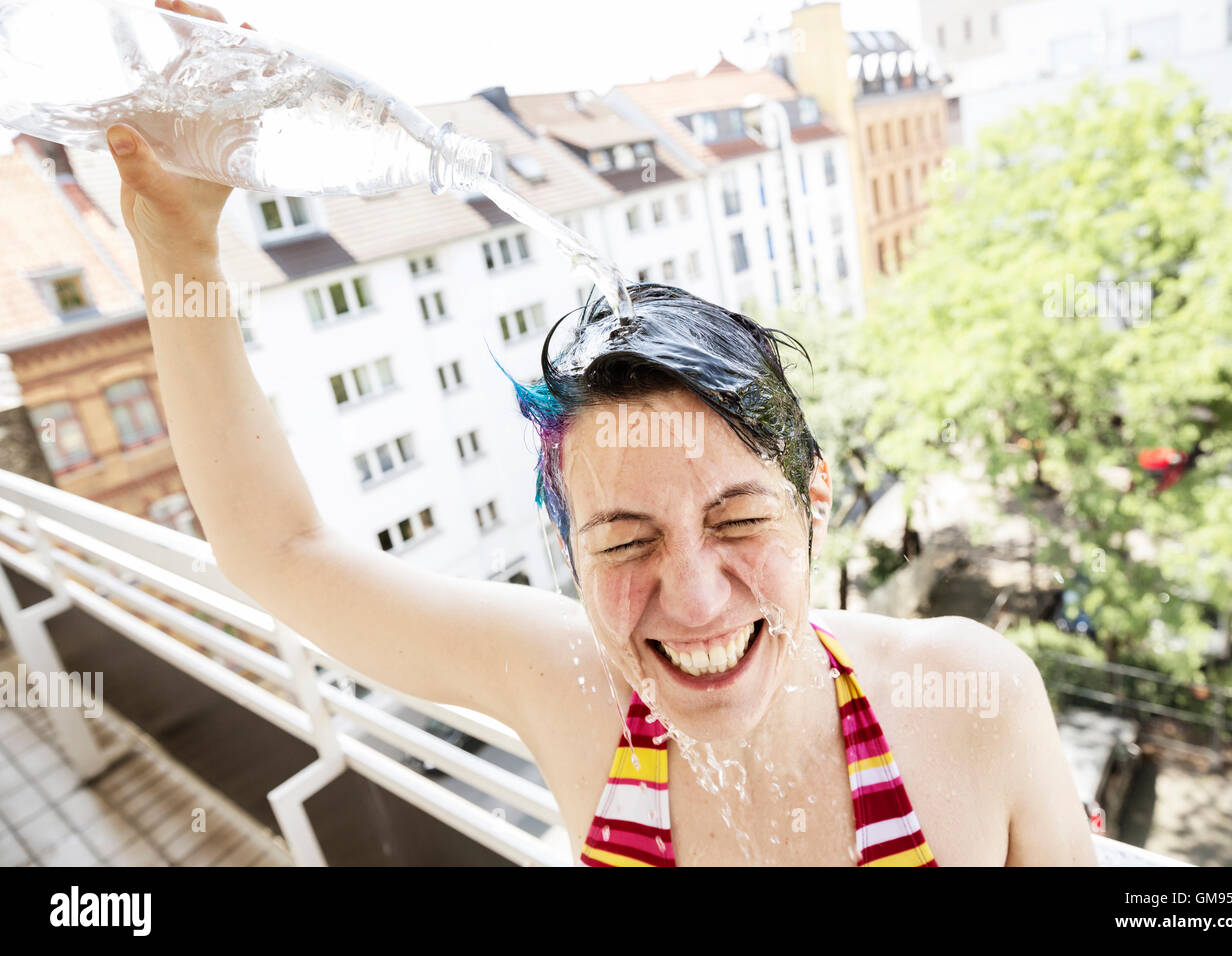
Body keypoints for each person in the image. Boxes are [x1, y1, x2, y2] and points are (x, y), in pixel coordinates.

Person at [106, 0, 1098, 868]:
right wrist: (174, 239)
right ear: (569, 554)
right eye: (626, 539)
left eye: (739, 517)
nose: (697, 600)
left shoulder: (969, 697)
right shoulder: (566, 679)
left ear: (817, 500)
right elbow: (276, 552)